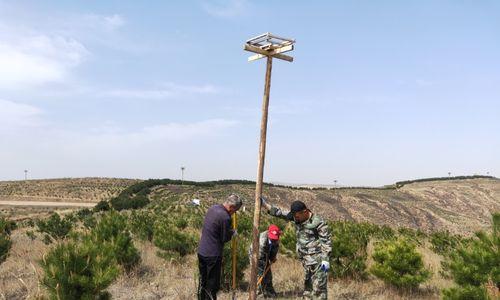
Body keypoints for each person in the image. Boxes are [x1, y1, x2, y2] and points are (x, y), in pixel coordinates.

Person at [261, 197, 332, 300]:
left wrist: (325, 261)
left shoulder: (319, 222)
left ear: (305, 211)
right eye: (294, 216)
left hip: (318, 262)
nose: (295, 219)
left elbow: (327, 243)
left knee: (319, 290)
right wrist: (264, 205)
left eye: (297, 216)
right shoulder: (296, 216)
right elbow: (279, 213)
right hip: (306, 261)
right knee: (308, 288)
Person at [197, 194, 242, 300]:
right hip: (213, 255)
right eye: (235, 211)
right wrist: (232, 233)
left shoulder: (213, 208)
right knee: (212, 285)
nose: (234, 213)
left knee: (203, 282)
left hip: (202, 251)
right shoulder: (225, 217)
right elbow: (224, 238)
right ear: (231, 207)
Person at [249, 224, 281, 298]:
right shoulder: (262, 240)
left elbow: (275, 248)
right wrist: (262, 271)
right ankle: (259, 293)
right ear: (268, 233)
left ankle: (269, 291)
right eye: (272, 238)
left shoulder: (276, 239)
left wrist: (273, 258)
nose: (274, 239)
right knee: (260, 275)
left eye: (275, 238)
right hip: (255, 256)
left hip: (265, 255)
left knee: (268, 275)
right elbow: (260, 257)